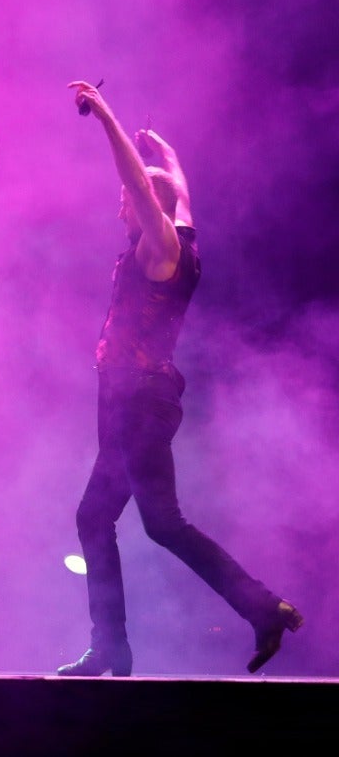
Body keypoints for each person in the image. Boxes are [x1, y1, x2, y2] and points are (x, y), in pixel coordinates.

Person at [57, 80, 302, 677]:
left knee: (161, 522)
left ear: (148, 205)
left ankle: (258, 609)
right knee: (99, 518)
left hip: (139, 404)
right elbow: (177, 190)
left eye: (127, 200)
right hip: (130, 402)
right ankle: (119, 644)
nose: (120, 208)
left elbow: (146, 189)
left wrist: (106, 117)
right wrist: (164, 149)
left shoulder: (162, 248)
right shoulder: (181, 231)